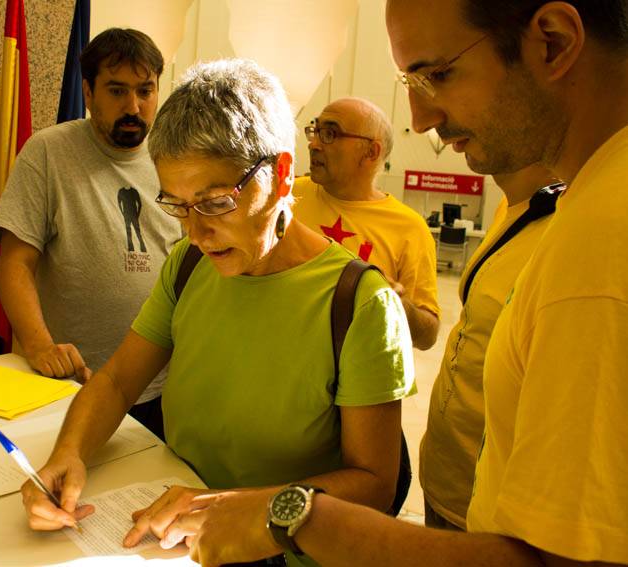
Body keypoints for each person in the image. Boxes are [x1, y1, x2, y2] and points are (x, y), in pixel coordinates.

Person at [179, 1, 628, 566]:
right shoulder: (591, 202)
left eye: (437, 74)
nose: (419, 119)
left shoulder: (602, 244)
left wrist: (301, 516)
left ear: (555, 43)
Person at [21, 59, 415, 567]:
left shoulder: (358, 303)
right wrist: (68, 455)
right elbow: (119, 380)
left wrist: (231, 509)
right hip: (173, 530)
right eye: (177, 207)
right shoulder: (188, 266)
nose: (195, 233)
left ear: (277, 176)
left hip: (279, 547)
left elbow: (375, 485)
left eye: (214, 203)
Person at [0, 28, 181, 439]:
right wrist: (41, 347)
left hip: (162, 388)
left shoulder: (174, 158)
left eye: (145, 91)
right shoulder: (48, 152)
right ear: (88, 92)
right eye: (117, 91)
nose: (133, 106)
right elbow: (15, 262)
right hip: (72, 382)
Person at [420, 165, 563, 530]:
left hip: (495, 516)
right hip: (446, 479)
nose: (426, 124)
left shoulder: (576, 227)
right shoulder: (518, 207)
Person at [294, 98, 440, 350]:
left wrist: (396, 304)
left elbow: (427, 337)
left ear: (371, 152)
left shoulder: (409, 228)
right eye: (315, 131)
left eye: (329, 134)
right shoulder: (288, 196)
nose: (313, 144)